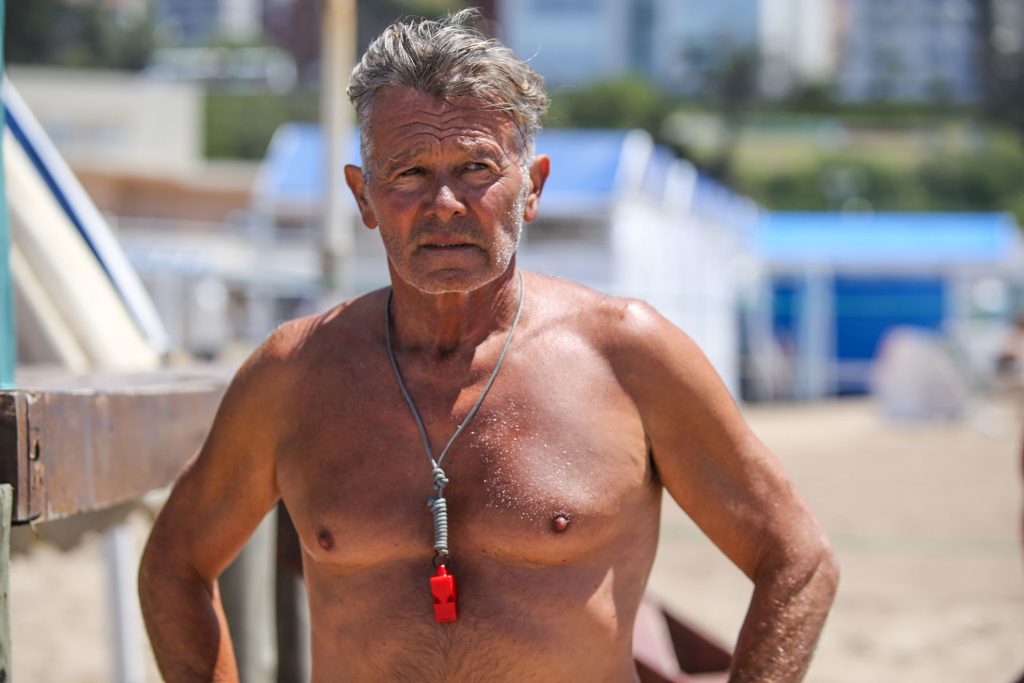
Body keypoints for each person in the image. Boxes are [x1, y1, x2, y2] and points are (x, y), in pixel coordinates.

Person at [138, 10, 838, 682]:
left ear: (532, 187)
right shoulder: (295, 374)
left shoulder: (627, 357)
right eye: (410, 172)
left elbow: (798, 560)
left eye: (476, 168)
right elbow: (175, 563)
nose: (444, 203)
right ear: (363, 197)